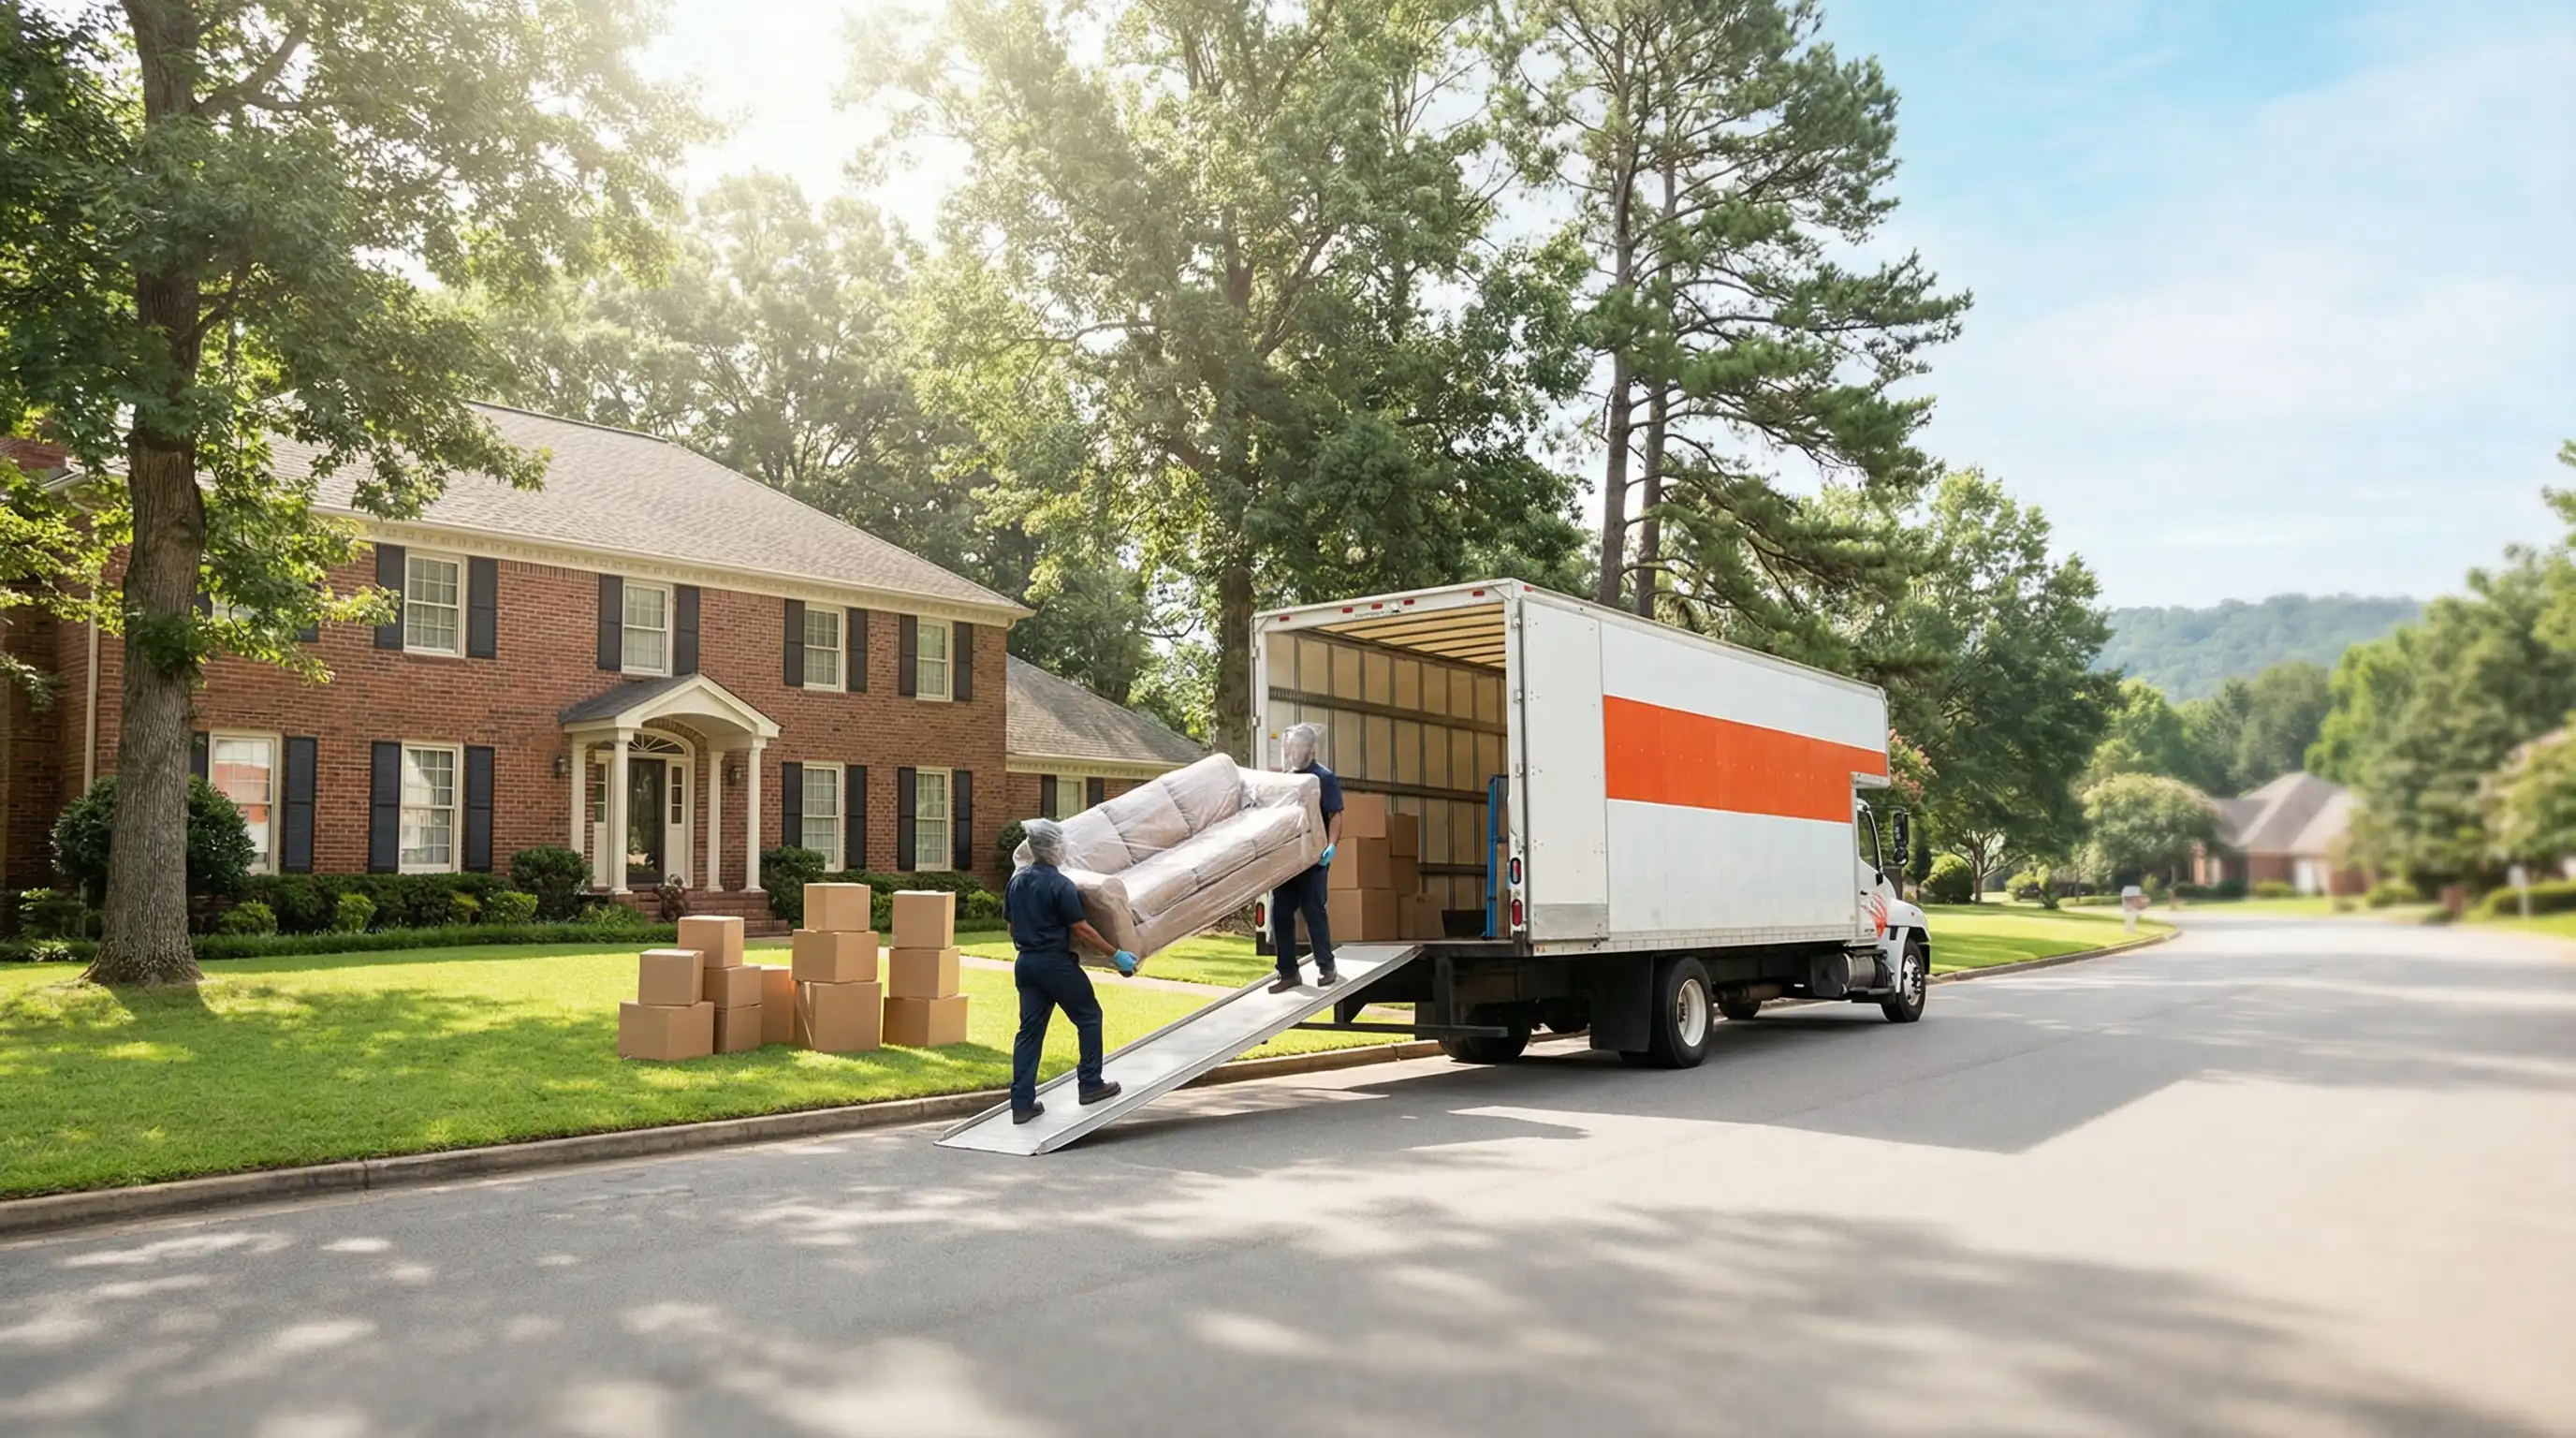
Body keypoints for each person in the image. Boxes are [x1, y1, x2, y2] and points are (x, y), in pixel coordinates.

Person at [1004, 818, 1140, 1125]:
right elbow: (1080, 928)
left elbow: (1011, 925)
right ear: (1053, 848)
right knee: (1089, 1016)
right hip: (1054, 963)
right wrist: (1115, 954)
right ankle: (1090, 1084)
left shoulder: (1016, 881)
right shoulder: (1061, 884)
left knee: (1029, 1032)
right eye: (1061, 843)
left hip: (1025, 963)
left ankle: (1022, 1104)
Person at [1268, 722, 1345, 993]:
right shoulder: (1287, 778)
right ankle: (1288, 973)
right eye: (1294, 745)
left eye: (1303, 745)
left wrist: (1331, 845)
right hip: (1288, 858)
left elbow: (1335, 814)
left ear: (1312, 749)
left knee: (1313, 910)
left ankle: (1327, 966)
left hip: (1314, 858)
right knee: (1280, 913)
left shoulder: (1323, 777)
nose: (1297, 750)